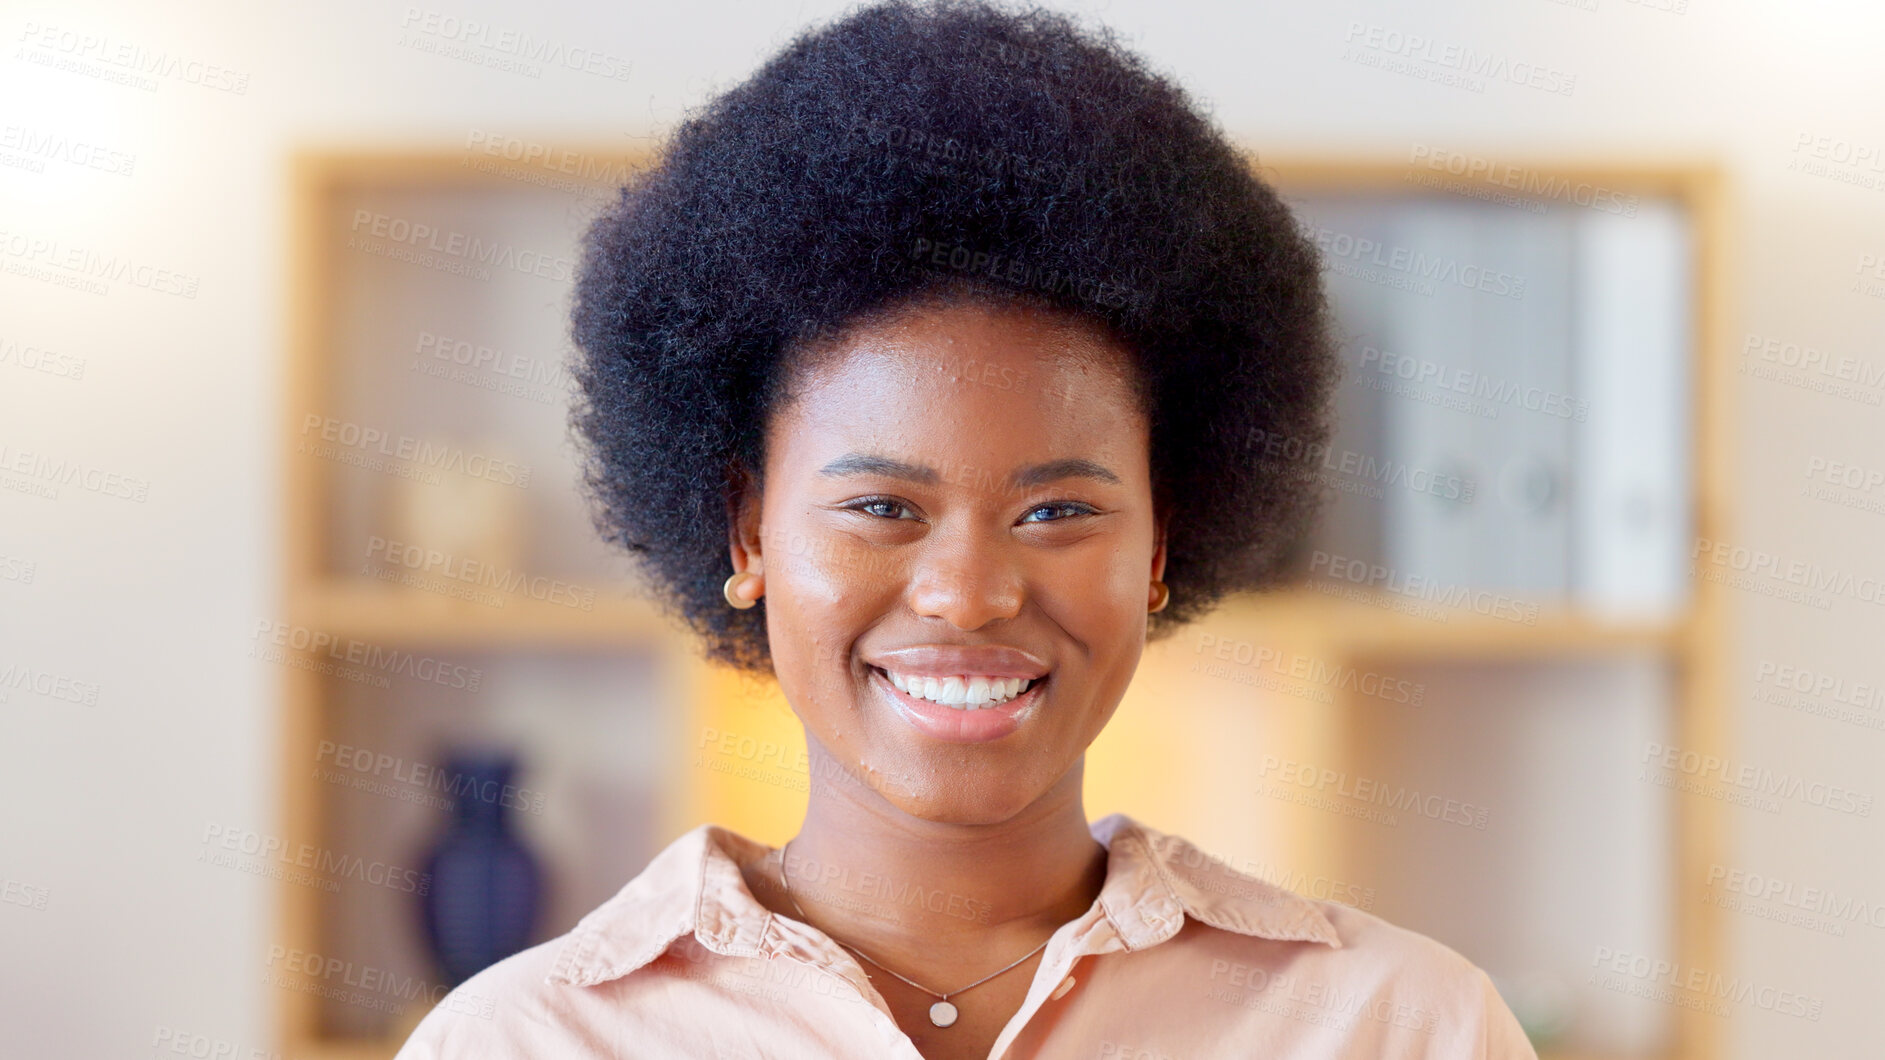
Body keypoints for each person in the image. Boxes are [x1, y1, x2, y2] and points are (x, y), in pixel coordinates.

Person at [398, 1, 1538, 1056]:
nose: (968, 590)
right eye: (884, 508)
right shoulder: (525, 1041)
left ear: (1157, 543)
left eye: (1055, 511)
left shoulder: (1398, 1027)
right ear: (746, 531)